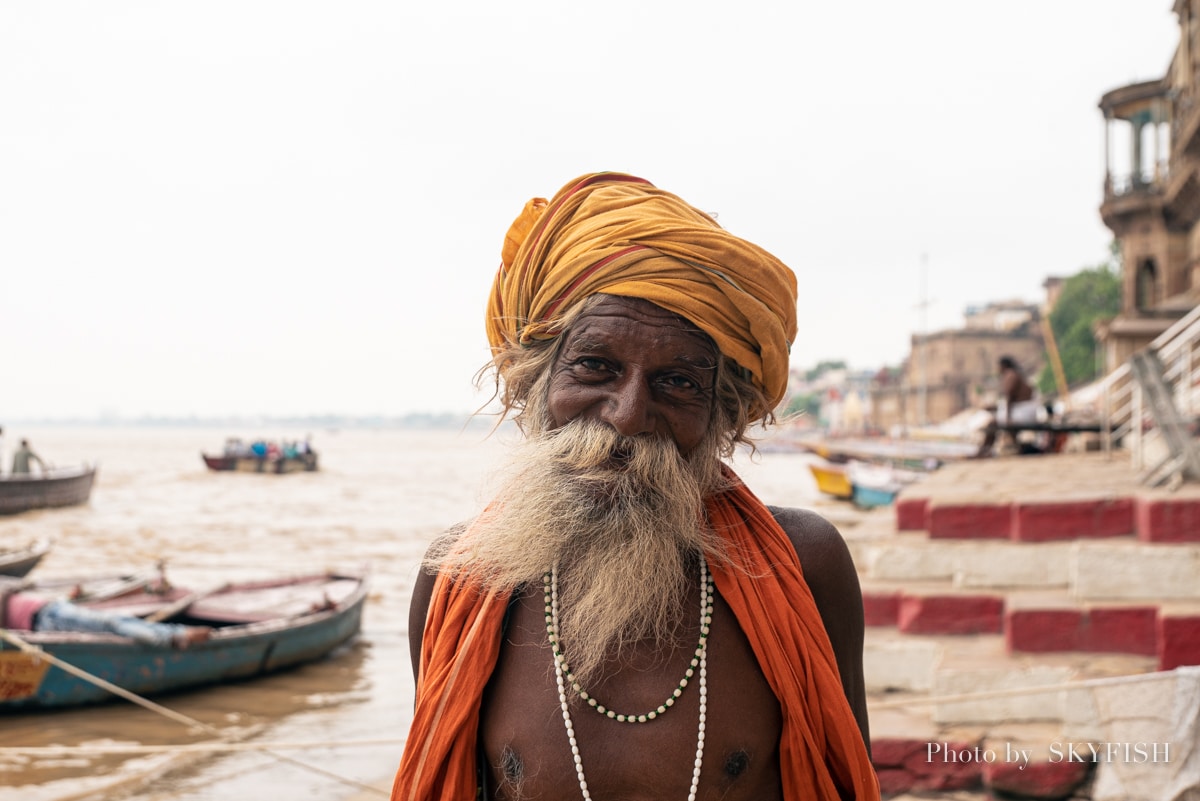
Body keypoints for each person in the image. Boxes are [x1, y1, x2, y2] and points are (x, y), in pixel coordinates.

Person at [393, 172, 880, 800]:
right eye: (595, 366)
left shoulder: (802, 565)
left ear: (719, 415)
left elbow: (848, 780)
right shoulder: (458, 584)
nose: (626, 415)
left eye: (677, 382)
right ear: (536, 381)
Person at [1, 585, 212, 649]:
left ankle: (174, 634)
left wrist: (66, 596)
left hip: (51, 610)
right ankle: (173, 636)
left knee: (113, 623)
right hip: (45, 619)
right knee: (112, 623)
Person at [975, 355, 1040, 457]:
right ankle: (984, 451)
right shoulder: (1015, 375)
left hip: (1023, 413)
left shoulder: (1011, 375)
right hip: (1025, 411)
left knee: (992, 424)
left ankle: (983, 451)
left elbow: (1010, 397)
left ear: (1003, 366)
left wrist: (1007, 417)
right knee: (994, 423)